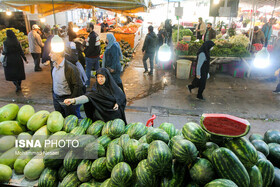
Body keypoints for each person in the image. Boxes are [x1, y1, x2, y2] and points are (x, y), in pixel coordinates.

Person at [50, 39, 84, 118]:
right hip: (56, 98)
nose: (49, 54)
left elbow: (78, 85)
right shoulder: (53, 66)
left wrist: (72, 100)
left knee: (72, 119)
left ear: (58, 55)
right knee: (60, 119)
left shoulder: (71, 68)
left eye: (51, 53)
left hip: (67, 99)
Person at [84, 22, 101, 88]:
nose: (86, 28)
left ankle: (87, 84)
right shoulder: (94, 34)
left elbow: (91, 48)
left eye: (87, 27)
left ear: (91, 28)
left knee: (88, 71)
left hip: (91, 57)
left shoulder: (92, 36)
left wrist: (86, 53)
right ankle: (99, 83)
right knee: (98, 71)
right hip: (96, 56)